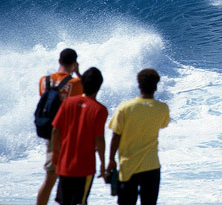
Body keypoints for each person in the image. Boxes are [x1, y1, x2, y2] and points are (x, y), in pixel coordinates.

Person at [107, 69, 170, 205]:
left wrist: (111, 159)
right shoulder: (162, 108)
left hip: (128, 166)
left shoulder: (125, 107)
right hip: (152, 166)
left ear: (139, 85)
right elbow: (163, 124)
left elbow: (115, 135)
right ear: (156, 86)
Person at [52, 67, 107, 204]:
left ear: (81, 84)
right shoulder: (99, 109)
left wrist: (55, 153)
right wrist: (102, 163)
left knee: (64, 201)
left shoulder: (67, 103)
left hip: (65, 163)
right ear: (99, 86)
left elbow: (55, 130)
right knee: (80, 202)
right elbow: (99, 139)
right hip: (85, 166)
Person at [37, 48, 84, 205]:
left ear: (59, 61)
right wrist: (78, 72)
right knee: (70, 182)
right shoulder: (76, 83)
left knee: (50, 180)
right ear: (74, 63)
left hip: (50, 134)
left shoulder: (45, 80)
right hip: (68, 137)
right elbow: (89, 91)